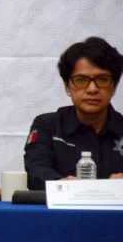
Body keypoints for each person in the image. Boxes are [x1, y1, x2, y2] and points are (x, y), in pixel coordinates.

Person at [24, 36, 123, 190]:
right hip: (63, 205)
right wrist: (62, 184)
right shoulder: (48, 125)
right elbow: (36, 170)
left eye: (102, 80)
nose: (92, 89)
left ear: (114, 87)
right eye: (81, 80)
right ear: (67, 86)